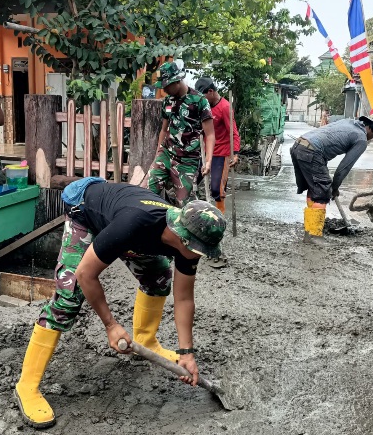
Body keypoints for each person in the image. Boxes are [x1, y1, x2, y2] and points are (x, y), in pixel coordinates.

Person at [15, 178, 226, 428]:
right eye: (200, 249)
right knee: (69, 296)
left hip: (123, 217)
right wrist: (111, 325)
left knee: (158, 278)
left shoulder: (187, 244)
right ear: (183, 237)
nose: (201, 255)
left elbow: (183, 298)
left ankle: (147, 342)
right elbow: (86, 274)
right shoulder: (136, 223)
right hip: (85, 208)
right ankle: (26, 386)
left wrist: (186, 353)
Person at [291, 115, 373, 245]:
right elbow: (343, 168)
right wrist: (334, 188)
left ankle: (310, 230)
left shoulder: (348, 122)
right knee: (322, 192)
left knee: (315, 188)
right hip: (312, 151)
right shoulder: (361, 139)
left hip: (298, 145)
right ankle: (313, 235)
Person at [146, 62, 215, 207]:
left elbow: (210, 134)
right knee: (150, 189)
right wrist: (159, 151)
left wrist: (208, 161)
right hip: (166, 153)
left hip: (187, 160)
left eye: (166, 86)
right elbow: (164, 129)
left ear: (177, 80)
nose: (164, 90)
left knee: (185, 203)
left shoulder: (199, 101)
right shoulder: (168, 101)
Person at [194, 77, 240, 215]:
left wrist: (236, 153)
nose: (202, 99)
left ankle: (219, 219)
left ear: (211, 91)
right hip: (205, 151)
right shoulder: (203, 106)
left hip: (221, 152)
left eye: (204, 95)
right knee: (191, 180)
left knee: (216, 189)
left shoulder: (225, 107)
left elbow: (234, 133)